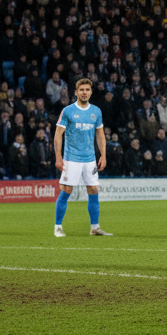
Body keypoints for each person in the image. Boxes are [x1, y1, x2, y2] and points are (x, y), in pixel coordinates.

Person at [53, 78, 112, 237]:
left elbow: (100, 135)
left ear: (91, 92)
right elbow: (58, 135)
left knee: (93, 190)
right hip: (71, 158)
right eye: (81, 90)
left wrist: (103, 156)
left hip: (90, 160)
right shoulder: (68, 111)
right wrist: (58, 157)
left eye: (87, 90)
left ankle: (95, 227)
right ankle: (58, 227)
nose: (84, 92)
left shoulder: (96, 112)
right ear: (76, 92)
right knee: (66, 191)